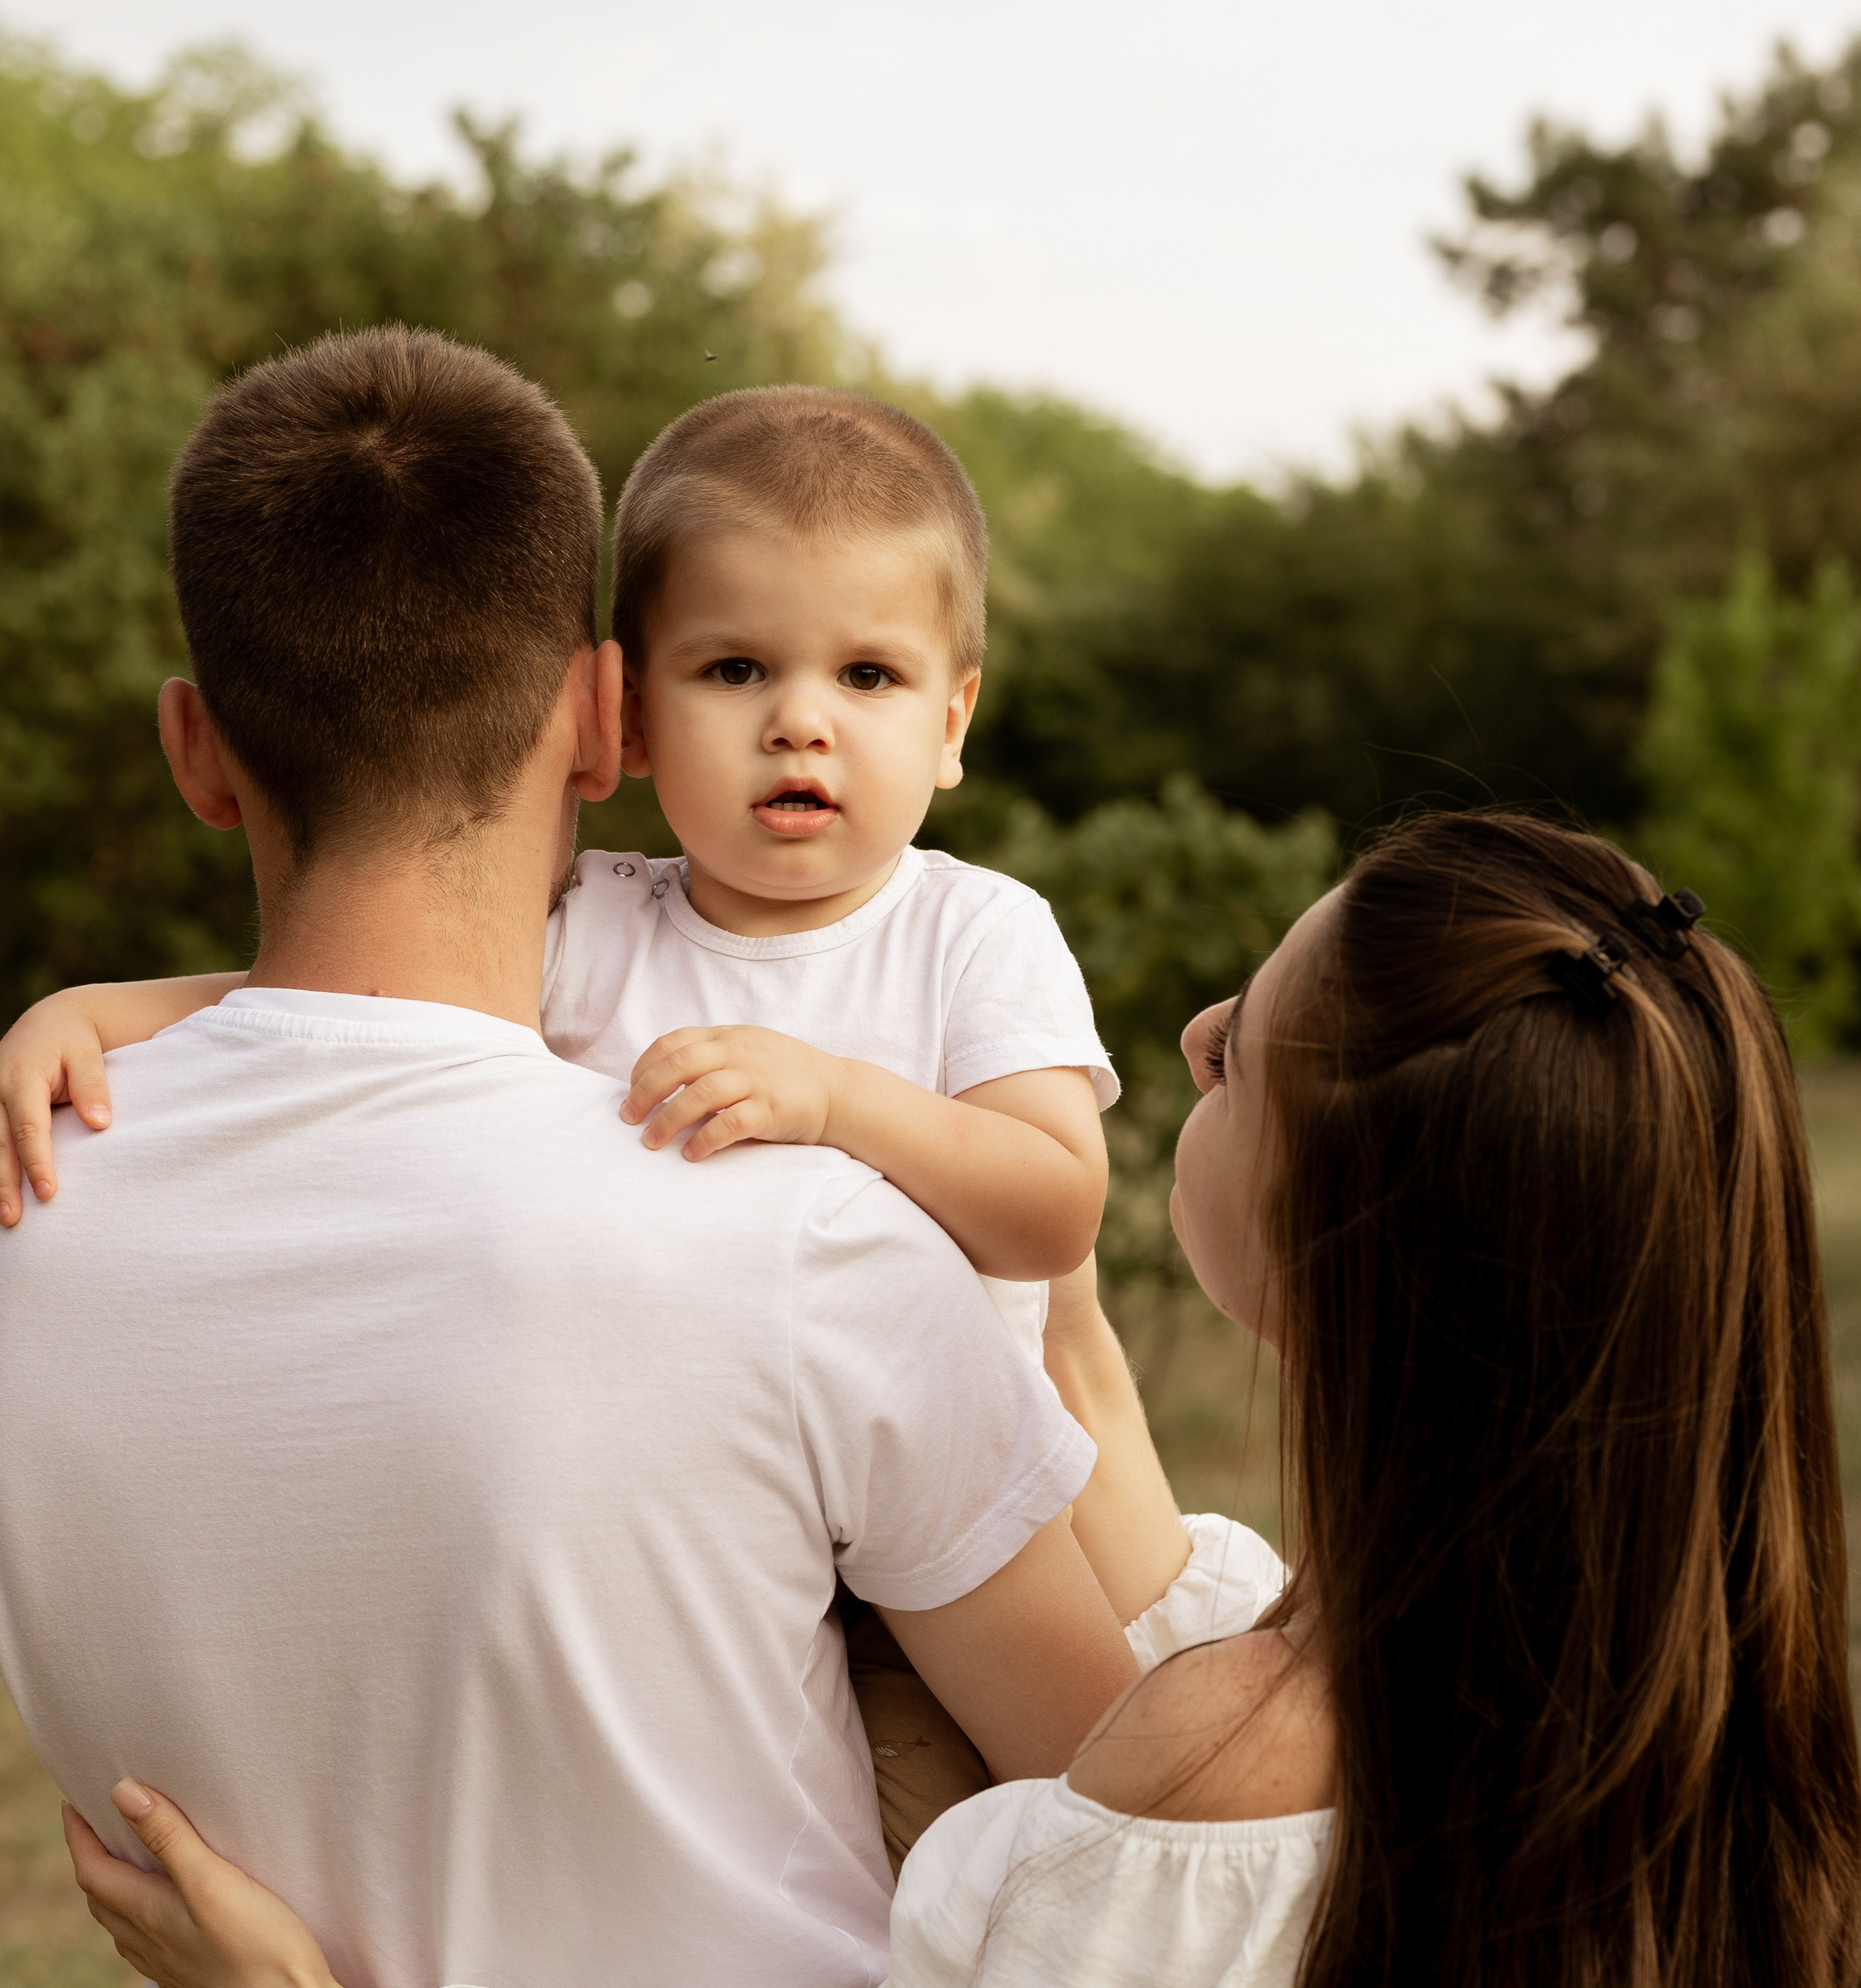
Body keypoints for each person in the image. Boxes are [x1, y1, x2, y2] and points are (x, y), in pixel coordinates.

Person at [71, 813, 1861, 1988]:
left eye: (1242, 1046)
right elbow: (1124, 1494)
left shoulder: (1240, 1766)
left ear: (1346, 1230)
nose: (1190, 1037)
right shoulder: (1625, 1651)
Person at [0, 326, 1188, 1988]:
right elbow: (1131, 1832)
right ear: (605, 715)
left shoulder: (37, 1197)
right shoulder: (789, 1227)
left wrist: (83, 1009)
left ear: (199, 747)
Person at [0, 380, 1180, 1867]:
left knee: (989, 1885)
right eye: (736, 668)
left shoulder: (972, 930)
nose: (801, 720)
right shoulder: (598, 922)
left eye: (869, 678)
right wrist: (97, 1015)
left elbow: (1052, 1206)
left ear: (953, 719)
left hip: (961, 1562)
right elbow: (339, 994)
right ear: (619, 712)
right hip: (706, 1553)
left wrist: (834, 1102)